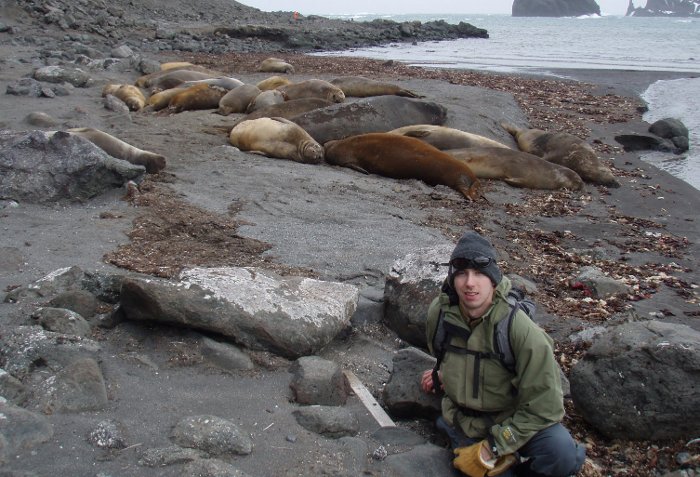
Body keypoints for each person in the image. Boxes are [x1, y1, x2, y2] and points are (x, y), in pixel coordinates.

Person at [420, 231, 586, 477]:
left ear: (494, 280)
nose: (470, 283)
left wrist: (493, 448)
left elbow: (546, 407)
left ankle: (514, 457)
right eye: (462, 274)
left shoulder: (519, 330)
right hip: (466, 423)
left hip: (514, 422)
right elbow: (442, 354)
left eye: (479, 274)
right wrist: (444, 375)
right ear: (452, 279)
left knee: (561, 453)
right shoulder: (440, 315)